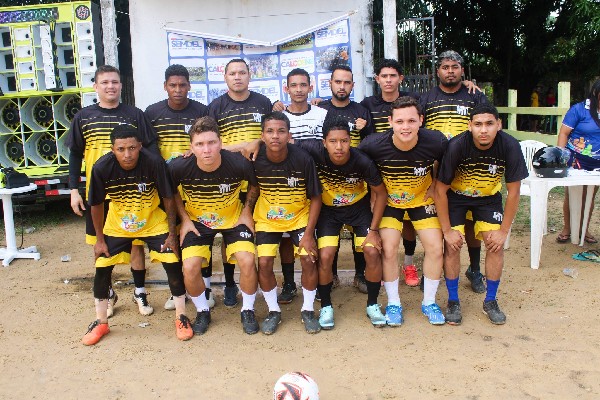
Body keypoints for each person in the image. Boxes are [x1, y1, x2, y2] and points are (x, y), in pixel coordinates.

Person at [81, 125, 189, 345]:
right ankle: (101, 322)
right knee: (102, 267)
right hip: (118, 224)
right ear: (112, 149)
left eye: (132, 148)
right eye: (121, 149)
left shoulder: (154, 162)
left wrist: (171, 234)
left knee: (172, 262)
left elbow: (168, 198)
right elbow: (96, 204)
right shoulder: (101, 167)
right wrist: (99, 240)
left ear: (140, 146)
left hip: (152, 221)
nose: (127, 154)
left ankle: (181, 317)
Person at [67, 65, 159, 318]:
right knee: (100, 245)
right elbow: (75, 154)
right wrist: (74, 189)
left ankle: (140, 292)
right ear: (95, 86)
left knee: (136, 244)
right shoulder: (83, 117)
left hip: (132, 194)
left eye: (115, 82)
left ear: (121, 85)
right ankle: (107, 293)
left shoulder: (135, 115)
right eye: (105, 82)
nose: (110, 86)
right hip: (99, 195)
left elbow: (151, 149)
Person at [435, 103, 528, 325]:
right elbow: (440, 190)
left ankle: (491, 300)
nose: (483, 130)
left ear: (499, 124)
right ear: (470, 126)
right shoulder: (457, 145)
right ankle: (453, 300)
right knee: (452, 245)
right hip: (456, 197)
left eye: (489, 124)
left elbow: (514, 192)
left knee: (495, 245)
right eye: (478, 124)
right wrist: (447, 231)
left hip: (488, 198)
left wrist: (503, 231)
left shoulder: (510, 145)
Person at [359, 97, 448, 326]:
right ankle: (394, 303)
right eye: (399, 121)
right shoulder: (372, 144)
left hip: (421, 199)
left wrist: (435, 182)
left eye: (411, 121)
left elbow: (446, 160)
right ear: (390, 122)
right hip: (390, 202)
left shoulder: (436, 141)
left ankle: (429, 302)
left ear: (421, 120)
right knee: (389, 249)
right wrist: (372, 193)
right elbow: (360, 165)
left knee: (435, 248)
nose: (405, 127)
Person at [168, 117, 261, 335]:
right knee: (189, 267)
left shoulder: (238, 163)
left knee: (248, 261)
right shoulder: (178, 166)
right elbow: (171, 193)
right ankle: (203, 310)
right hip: (197, 221)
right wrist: (185, 219)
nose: (206, 149)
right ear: (191, 147)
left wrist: (247, 211)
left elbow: (255, 186)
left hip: (233, 218)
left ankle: (248, 309)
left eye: (211, 142)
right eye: (200, 144)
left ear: (220, 143)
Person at [295, 117, 388, 328]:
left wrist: (374, 230)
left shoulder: (362, 161)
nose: (339, 147)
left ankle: (372, 304)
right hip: (329, 212)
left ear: (350, 141)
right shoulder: (313, 149)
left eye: (344, 141)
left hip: (358, 210)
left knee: (372, 251)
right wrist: (256, 144)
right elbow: (285, 142)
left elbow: (381, 194)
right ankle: (326, 306)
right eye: (333, 141)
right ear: (324, 142)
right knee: (325, 256)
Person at [420, 50, 489, 293]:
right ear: (437, 71)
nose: (450, 71)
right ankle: (432, 270)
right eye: (445, 67)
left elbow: (487, 125)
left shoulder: (475, 96)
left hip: (468, 172)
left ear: (462, 70)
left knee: (470, 223)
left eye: (455, 67)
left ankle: (475, 269)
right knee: (437, 222)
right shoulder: (427, 98)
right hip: (436, 172)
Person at [145, 64, 212, 310]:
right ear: (165, 86)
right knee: (171, 233)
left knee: (200, 233)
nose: (178, 89)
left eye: (182, 85)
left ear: (189, 86)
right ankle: (178, 291)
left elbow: (207, 142)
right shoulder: (152, 112)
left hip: (195, 182)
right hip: (166, 183)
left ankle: (206, 288)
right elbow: (149, 147)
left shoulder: (201, 111)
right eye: (172, 85)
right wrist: (162, 168)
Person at [207, 58, 273, 307]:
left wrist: (258, 142)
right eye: (232, 73)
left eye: (242, 73)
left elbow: (271, 133)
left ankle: (264, 282)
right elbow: (211, 143)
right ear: (225, 77)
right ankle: (230, 284)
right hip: (230, 180)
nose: (237, 77)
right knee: (230, 234)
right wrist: (243, 146)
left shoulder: (263, 102)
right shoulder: (216, 106)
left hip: (261, 178)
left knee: (262, 231)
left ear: (249, 76)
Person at [253, 112, 322, 334]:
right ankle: (274, 311)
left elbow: (316, 197)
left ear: (289, 135)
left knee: (309, 259)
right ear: (262, 136)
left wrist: (309, 234)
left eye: (281, 131)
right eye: (270, 131)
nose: (275, 136)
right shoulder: (255, 159)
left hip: (299, 216)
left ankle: (308, 310)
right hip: (267, 219)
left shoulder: (303, 159)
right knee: (264, 263)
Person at [360, 59, 421, 287]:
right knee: (378, 217)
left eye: (392, 76)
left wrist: (466, 84)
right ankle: (377, 266)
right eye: (383, 76)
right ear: (377, 79)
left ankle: (409, 263)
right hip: (379, 171)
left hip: (407, 169)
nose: (388, 80)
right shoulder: (367, 104)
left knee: (409, 221)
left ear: (400, 78)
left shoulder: (412, 100)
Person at [275, 68, 330, 304]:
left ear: (310, 87)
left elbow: (325, 148)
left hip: (316, 183)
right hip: (286, 186)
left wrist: (296, 143)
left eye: (303, 85)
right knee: (286, 238)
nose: (298, 90)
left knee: (313, 235)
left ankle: (315, 283)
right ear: (286, 88)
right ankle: (289, 283)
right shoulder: (277, 116)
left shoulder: (322, 114)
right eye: (294, 85)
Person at [317, 65, 374, 294]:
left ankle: (360, 275)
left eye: (347, 82)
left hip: (356, 180)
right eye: (338, 82)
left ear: (353, 85)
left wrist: (364, 129)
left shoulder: (361, 111)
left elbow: (371, 143)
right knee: (330, 234)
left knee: (359, 233)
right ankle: (332, 276)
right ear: (330, 83)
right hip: (328, 181)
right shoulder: (320, 109)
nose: (342, 86)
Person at [556, 79, 600, 244]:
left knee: (590, 196)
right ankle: (567, 228)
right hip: (576, 160)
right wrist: (561, 157)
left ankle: (584, 229)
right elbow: (564, 133)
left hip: (597, 164)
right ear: (595, 94)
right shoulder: (579, 109)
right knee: (572, 194)